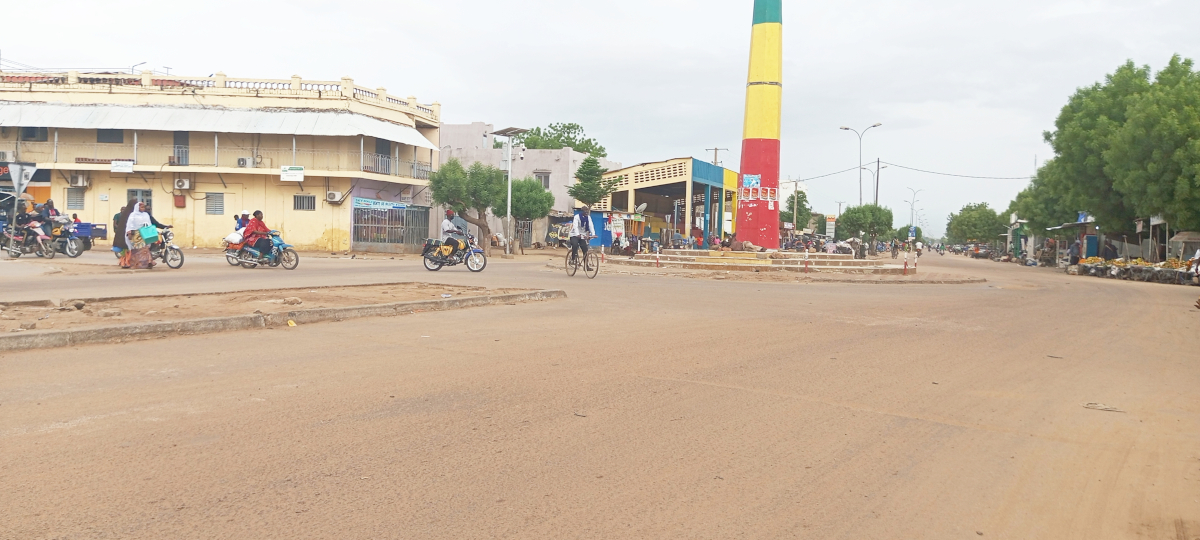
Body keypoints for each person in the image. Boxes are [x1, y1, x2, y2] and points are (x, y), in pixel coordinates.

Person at [124, 200, 154, 269]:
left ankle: (149, 262)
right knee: (136, 249)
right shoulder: (133, 215)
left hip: (144, 233)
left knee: (145, 248)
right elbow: (129, 224)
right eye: (141, 207)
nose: (143, 208)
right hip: (135, 234)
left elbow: (149, 223)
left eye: (143, 207)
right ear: (137, 207)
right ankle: (136, 264)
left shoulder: (146, 215)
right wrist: (129, 232)